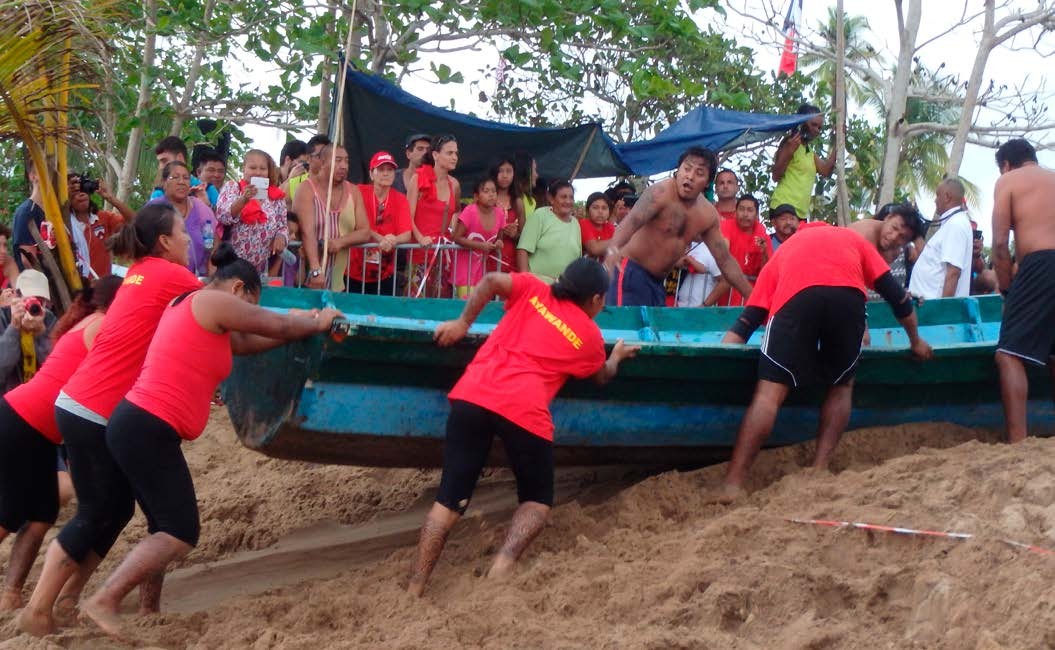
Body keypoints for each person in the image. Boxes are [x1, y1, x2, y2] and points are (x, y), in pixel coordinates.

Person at [79, 245, 341, 639]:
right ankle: (105, 599)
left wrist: (295, 328)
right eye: (251, 303)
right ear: (239, 290)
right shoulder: (213, 300)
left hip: (137, 425)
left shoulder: (190, 307)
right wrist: (319, 321)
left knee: (162, 526)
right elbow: (276, 326)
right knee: (181, 531)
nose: (249, 312)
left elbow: (250, 343)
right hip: (146, 426)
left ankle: (150, 610)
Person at [16, 204, 201, 638]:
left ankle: (64, 601)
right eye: (183, 232)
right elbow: (218, 303)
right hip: (94, 409)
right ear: (164, 242)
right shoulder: (170, 274)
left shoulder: (139, 271)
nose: (190, 239)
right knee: (96, 511)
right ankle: (38, 608)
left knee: (115, 509)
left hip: (85, 403)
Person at [407, 258, 639, 596]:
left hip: (473, 394)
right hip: (524, 411)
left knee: (448, 501)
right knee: (536, 500)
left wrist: (462, 323)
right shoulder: (590, 336)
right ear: (597, 300)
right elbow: (601, 376)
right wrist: (615, 357)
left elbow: (489, 280)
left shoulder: (533, 288)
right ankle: (500, 570)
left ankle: (415, 587)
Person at [718, 225, 933, 499]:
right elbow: (898, 298)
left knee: (769, 395)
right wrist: (915, 340)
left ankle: (733, 484)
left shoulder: (786, 251)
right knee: (842, 384)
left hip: (797, 299)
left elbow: (747, 322)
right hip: (847, 298)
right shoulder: (855, 241)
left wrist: (721, 359)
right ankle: (819, 468)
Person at [0, 276, 121, 612]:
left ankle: (9, 595)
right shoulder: (104, 326)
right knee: (9, 515)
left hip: (38, 428)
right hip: (21, 420)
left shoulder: (85, 323)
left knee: (40, 514)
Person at [604, 147, 754, 308]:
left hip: (658, 283)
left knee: (656, 333)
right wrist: (612, 250)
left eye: (699, 173)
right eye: (687, 169)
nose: (689, 176)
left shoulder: (707, 214)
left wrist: (752, 297)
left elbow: (724, 260)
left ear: (707, 182)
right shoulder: (659, 192)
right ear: (678, 170)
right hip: (630, 272)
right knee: (626, 332)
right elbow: (630, 222)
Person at [991, 139, 1055, 443]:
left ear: (1005, 164)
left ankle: (1017, 441)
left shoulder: (1008, 180)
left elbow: (1001, 244)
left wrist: (1006, 290)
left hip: (1042, 262)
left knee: (1008, 354)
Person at [293, 143, 370, 291]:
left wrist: (340, 242)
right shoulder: (306, 189)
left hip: (339, 280)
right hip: (308, 276)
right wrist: (315, 270)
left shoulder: (353, 191)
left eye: (346, 161)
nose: (344, 166)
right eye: (338, 160)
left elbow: (365, 231)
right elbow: (307, 233)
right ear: (322, 163)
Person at [216, 149, 289, 273]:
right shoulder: (233, 188)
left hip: (258, 269)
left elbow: (282, 226)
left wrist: (281, 237)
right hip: (229, 265)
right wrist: (244, 199)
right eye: (253, 168)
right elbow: (223, 215)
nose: (258, 173)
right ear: (244, 169)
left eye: (263, 169)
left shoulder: (275, 197)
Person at [350, 151, 413, 295]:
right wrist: (381, 238)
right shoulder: (358, 191)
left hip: (385, 272)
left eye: (390, 170)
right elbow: (355, 224)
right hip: (353, 270)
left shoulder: (401, 199)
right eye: (381, 169)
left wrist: (394, 239)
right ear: (371, 174)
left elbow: (407, 234)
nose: (386, 173)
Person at [407, 135, 461, 297]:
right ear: (436, 155)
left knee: (439, 307)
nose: (454, 157)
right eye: (449, 153)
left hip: (443, 256)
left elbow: (456, 210)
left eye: (456, 153)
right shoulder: (418, 178)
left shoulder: (455, 185)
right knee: (416, 305)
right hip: (419, 253)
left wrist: (452, 231)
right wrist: (420, 238)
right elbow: (407, 216)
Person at [147, 161, 217, 276]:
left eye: (186, 178)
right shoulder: (154, 208)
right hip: (159, 276)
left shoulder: (201, 208)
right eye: (175, 177)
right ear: (164, 183)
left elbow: (215, 243)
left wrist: (210, 274)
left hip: (195, 279)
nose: (181, 182)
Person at [908, 178, 972, 299]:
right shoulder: (952, 223)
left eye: (937, 195)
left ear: (947, 197)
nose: (935, 200)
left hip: (936, 311)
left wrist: (943, 312)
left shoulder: (956, 224)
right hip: (928, 308)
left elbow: (953, 273)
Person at [770, 104, 837, 219]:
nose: (816, 130)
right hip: (784, 207)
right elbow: (776, 175)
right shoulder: (789, 143)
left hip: (800, 213)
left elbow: (826, 171)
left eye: (819, 128)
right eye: (813, 125)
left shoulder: (809, 151)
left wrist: (838, 140)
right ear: (802, 123)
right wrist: (789, 152)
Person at [849, 203, 926, 299]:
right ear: (888, 218)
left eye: (902, 237)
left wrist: (903, 295)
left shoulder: (895, 252)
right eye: (894, 228)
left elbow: (879, 285)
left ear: (906, 242)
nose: (893, 237)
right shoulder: (862, 234)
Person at [0, 270, 57, 393]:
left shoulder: (48, 318)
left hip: (40, 394)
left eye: (39, 301)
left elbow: (56, 368)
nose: (33, 305)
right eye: (29, 299)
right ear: (16, 296)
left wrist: (41, 332)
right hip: (8, 399)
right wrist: (14, 327)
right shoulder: (2, 317)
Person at [711, 195, 772, 306]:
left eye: (750, 210)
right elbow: (723, 251)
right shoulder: (727, 225)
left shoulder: (762, 234)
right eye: (741, 209)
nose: (745, 214)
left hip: (749, 296)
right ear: (735, 212)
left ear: (757, 215)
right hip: (725, 293)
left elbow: (766, 272)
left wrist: (764, 253)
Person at [516, 180, 581, 283]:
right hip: (538, 285)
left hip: (566, 289)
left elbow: (578, 259)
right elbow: (523, 250)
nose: (568, 201)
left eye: (571, 197)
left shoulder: (575, 224)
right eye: (563, 197)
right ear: (551, 199)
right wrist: (525, 281)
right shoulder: (540, 216)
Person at [69, 179, 134, 281]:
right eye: (75, 192)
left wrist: (110, 197)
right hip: (77, 286)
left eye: (84, 189)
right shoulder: (65, 226)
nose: (81, 194)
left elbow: (133, 221)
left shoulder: (103, 217)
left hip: (102, 285)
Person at [451, 178, 505, 297]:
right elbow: (456, 237)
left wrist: (499, 243)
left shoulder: (500, 213)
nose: (491, 194)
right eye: (486, 191)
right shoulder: (470, 211)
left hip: (483, 269)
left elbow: (499, 238)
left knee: (479, 307)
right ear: (476, 197)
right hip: (465, 268)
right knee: (467, 305)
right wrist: (480, 246)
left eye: (494, 191)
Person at [149, 137, 215, 206]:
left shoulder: (209, 190)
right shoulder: (159, 193)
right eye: (159, 162)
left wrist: (207, 206)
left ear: (179, 158)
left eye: (164, 161)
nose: (160, 167)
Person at [489, 157, 525, 270]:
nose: (505, 175)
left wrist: (515, 235)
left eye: (509, 171)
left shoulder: (518, 202)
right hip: (488, 260)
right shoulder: (486, 199)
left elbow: (525, 237)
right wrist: (500, 234)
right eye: (500, 171)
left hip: (512, 263)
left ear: (514, 174)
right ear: (494, 173)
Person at [11, 165, 46, 271]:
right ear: (33, 176)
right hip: (39, 283)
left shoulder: (55, 213)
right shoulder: (27, 212)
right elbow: (28, 260)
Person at [676, 239, 722, 307]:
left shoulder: (713, 249)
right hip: (680, 305)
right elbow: (675, 263)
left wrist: (705, 305)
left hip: (699, 308)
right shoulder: (690, 245)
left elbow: (725, 282)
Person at [580, 192, 614, 261]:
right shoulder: (584, 224)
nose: (600, 211)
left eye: (604, 208)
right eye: (595, 208)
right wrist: (618, 241)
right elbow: (594, 249)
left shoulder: (610, 227)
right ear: (587, 211)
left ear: (609, 212)